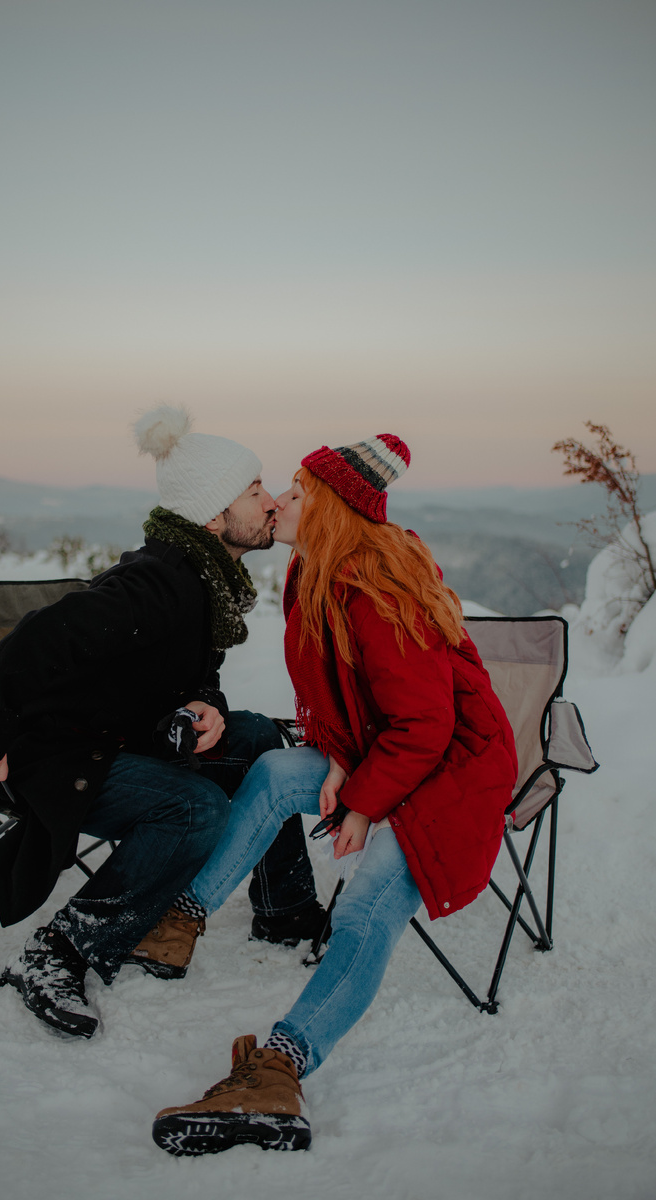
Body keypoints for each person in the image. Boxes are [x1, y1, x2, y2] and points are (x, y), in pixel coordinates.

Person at [150, 432, 518, 1156]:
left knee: (367, 911)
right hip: (395, 755)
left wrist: (361, 803)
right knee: (276, 773)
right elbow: (348, 701)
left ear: (330, 510)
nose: (279, 501)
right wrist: (344, 765)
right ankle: (179, 919)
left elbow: (422, 724)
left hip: (450, 773)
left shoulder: (374, 592)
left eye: (296, 492)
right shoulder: (317, 573)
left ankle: (279, 1073)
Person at [0, 405, 321, 1040]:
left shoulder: (202, 578)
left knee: (257, 739)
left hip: (120, 736)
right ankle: (60, 952)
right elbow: (36, 640)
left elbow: (186, 672)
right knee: (197, 807)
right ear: (214, 512)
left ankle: (285, 911)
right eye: (255, 492)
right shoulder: (157, 582)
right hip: (61, 757)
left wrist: (207, 704)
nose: (270, 504)